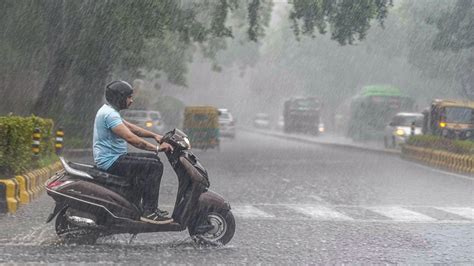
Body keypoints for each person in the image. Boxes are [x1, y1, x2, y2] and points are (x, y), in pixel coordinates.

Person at [93, 80, 173, 224]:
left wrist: (155, 136)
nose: (131, 100)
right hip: (111, 161)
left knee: (153, 161)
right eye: (129, 97)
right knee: (154, 166)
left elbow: (132, 128)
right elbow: (131, 138)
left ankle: (142, 207)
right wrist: (156, 148)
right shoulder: (110, 115)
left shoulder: (109, 111)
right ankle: (149, 211)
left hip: (115, 158)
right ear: (119, 97)